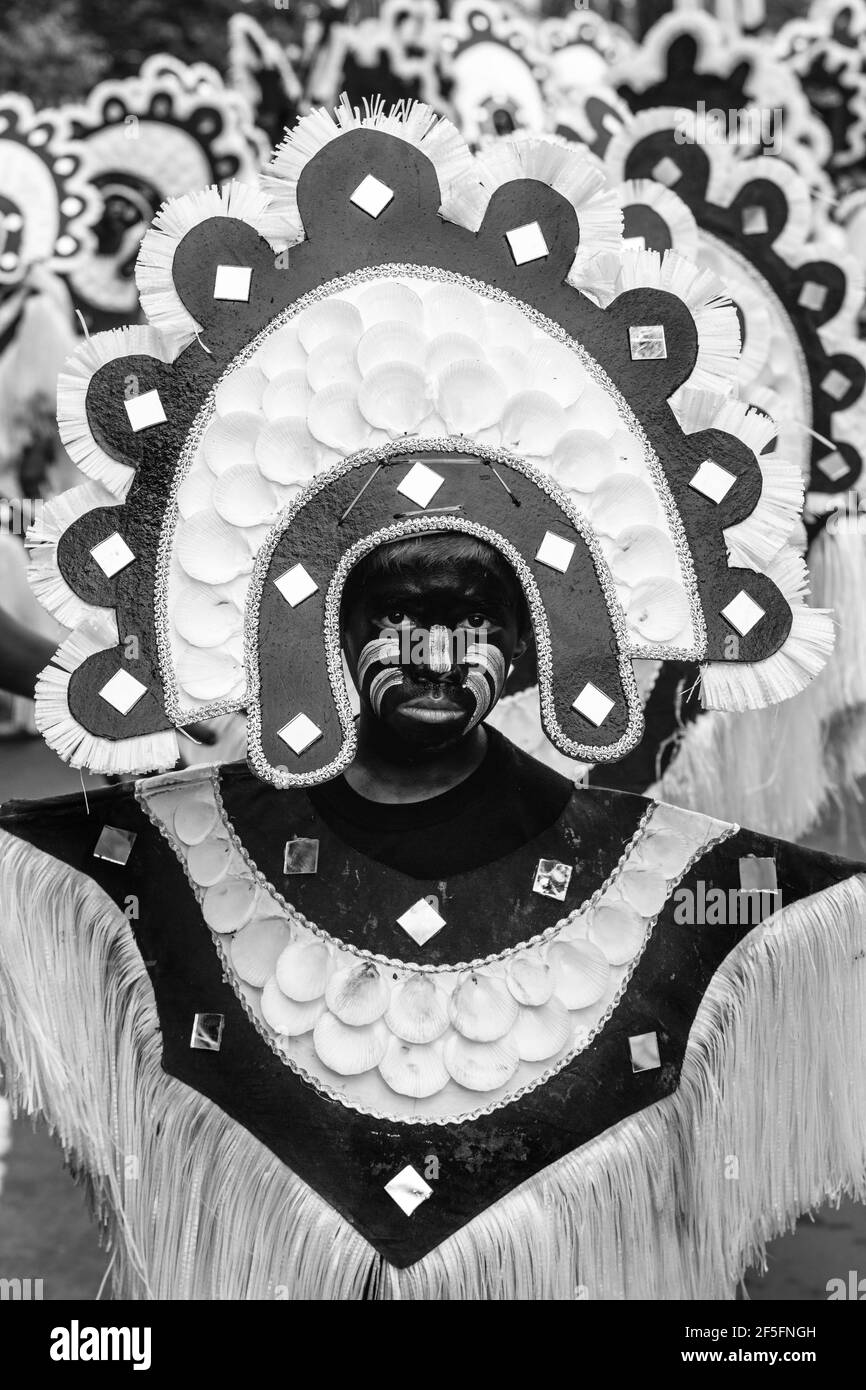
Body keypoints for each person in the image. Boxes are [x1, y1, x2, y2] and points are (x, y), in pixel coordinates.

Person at [0, 100, 865, 1300]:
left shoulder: (664, 874)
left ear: (531, 650)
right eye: (395, 618)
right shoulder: (164, 855)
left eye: (474, 621)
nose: (435, 655)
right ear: (314, 634)